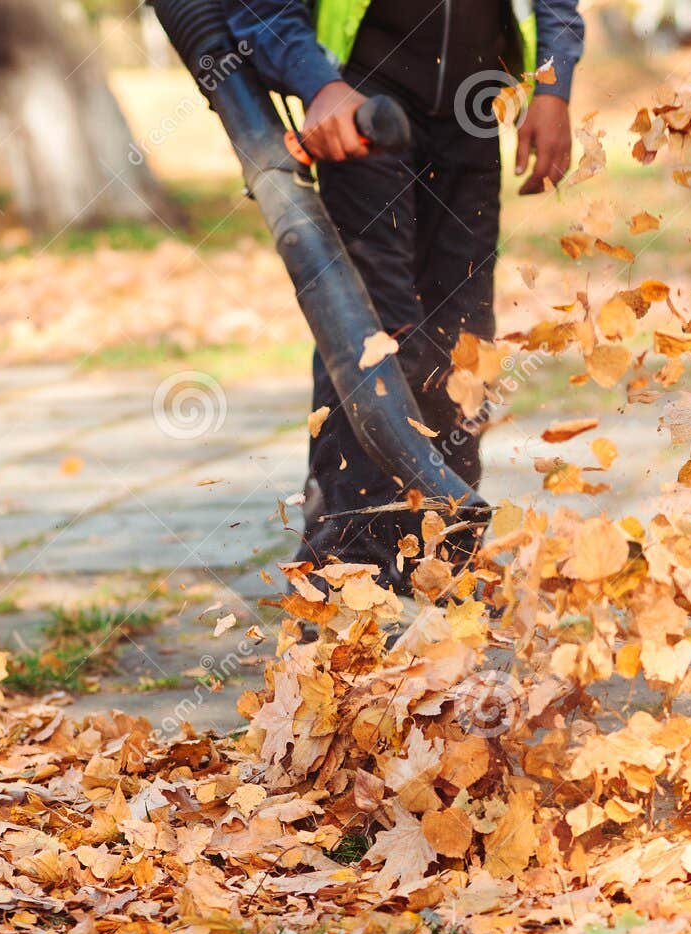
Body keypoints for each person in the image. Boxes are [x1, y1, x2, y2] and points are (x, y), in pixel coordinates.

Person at [227, 0, 585, 593]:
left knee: (464, 346)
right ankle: (344, 578)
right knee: (377, 343)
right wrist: (318, 83)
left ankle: (440, 563)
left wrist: (554, 85)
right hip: (364, 102)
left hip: (472, 103)